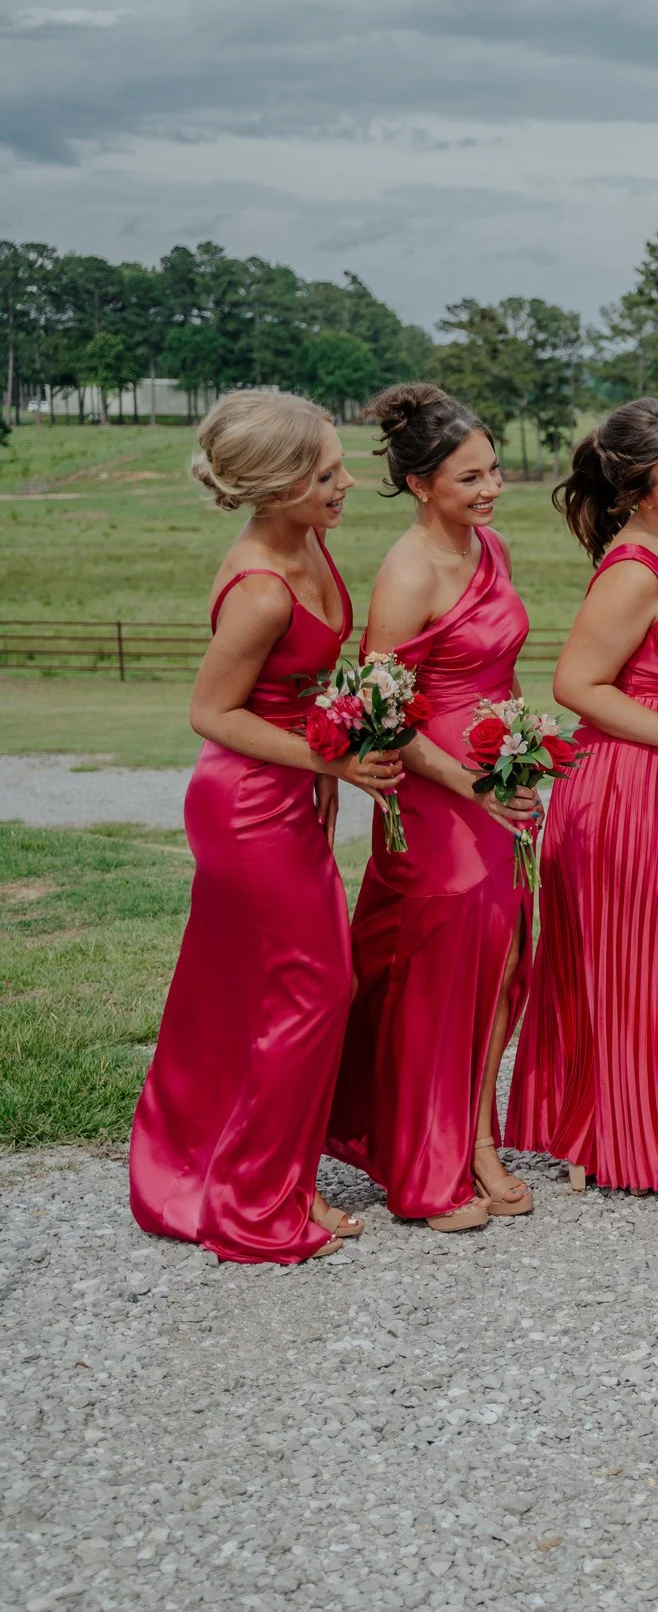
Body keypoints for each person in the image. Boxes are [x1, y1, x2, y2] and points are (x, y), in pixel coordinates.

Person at [130, 391, 400, 1263]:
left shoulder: (308, 540)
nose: (345, 483)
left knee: (268, 991)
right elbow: (210, 712)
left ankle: (270, 1170)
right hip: (246, 805)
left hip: (288, 788)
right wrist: (329, 761)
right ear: (281, 485)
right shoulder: (258, 586)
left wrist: (332, 738)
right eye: (326, 473)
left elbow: (302, 683)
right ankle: (253, 1203)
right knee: (314, 990)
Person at [508, 399, 658, 1206]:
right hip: (627, 790)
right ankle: (637, 1148)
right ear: (638, 494)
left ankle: (599, 1125)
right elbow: (574, 685)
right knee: (636, 970)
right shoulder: (635, 569)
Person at [328, 384, 538, 1233]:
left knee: (502, 963)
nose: (489, 490)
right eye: (469, 478)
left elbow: (506, 669)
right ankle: (424, 1161)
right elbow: (383, 708)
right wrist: (467, 782)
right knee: (436, 972)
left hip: (499, 773)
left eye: (492, 472)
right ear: (419, 485)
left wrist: (521, 753)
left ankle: (478, 1136)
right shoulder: (406, 571)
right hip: (437, 788)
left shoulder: (495, 548)